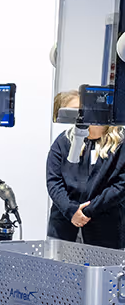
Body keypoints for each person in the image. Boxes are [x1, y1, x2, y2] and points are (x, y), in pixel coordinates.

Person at [46, 90, 125, 248]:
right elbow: (54, 181)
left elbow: (120, 186)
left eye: (81, 111)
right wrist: (71, 210)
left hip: (105, 229)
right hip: (64, 227)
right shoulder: (64, 141)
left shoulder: (120, 142)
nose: (79, 118)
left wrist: (88, 211)